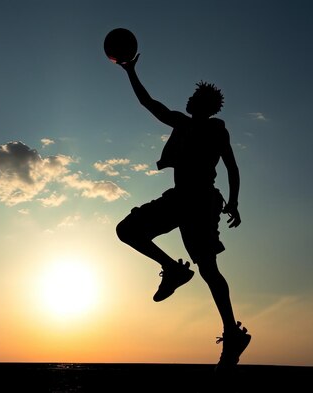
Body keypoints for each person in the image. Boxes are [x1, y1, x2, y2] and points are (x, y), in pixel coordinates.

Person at [114, 54, 251, 369]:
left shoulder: (216, 130)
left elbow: (232, 166)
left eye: (194, 98)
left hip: (201, 202)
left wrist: (234, 201)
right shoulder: (182, 124)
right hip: (179, 199)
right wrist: (131, 72)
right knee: (127, 230)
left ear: (204, 104)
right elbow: (150, 103)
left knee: (208, 269)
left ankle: (232, 333)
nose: (189, 101)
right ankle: (173, 270)